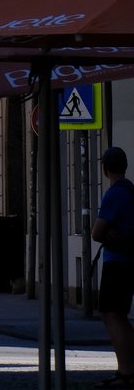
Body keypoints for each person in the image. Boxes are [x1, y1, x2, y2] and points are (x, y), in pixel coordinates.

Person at [92, 146, 134, 388]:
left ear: (105, 168)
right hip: (127, 260)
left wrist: (107, 232)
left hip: (117, 262)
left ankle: (125, 370)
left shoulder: (114, 194)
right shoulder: (129, 190)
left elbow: (97, 232)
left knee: (111, 314)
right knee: (120, 316)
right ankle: (129, 369)